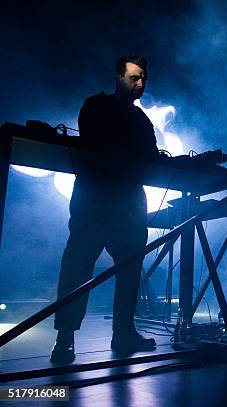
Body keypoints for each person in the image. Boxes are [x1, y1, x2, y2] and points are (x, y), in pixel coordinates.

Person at [50, 56, 158, 364]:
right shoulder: (96, 106)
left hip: (128, 202)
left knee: (130, 269)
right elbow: (98, 143)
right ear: (117, 77)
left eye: (143, 78)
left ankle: (123, 332)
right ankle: (65, 338)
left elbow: (150, 157)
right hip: (96, 199)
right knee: (78, 266)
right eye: (134, 77)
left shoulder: (142, 119)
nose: (140, 83)